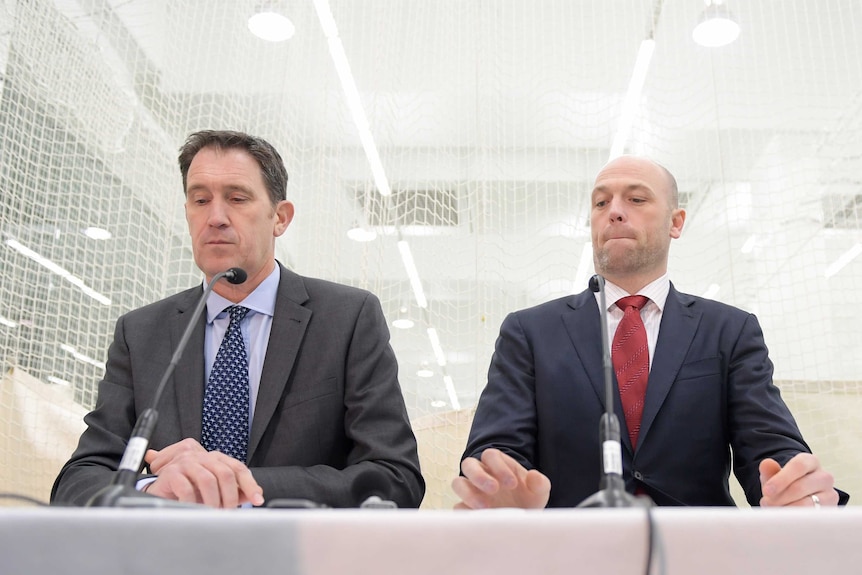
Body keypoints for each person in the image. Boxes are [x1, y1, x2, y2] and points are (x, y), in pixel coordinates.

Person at [52, 130, 424, 509]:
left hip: (297, 558)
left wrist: (230, 483)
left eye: (237, 198)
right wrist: (153, 487)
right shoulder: (142, 333)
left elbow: (395, 477)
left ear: (279, 217)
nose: (215, 217)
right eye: (200, 200)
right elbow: (78, 480)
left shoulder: (347, 319)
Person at [453, 155, 847, 509]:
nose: (615, 212)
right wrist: (502, 484)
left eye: (637, 200)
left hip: (700, 555)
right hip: (570, 552)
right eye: (601, 202)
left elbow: (769, 447)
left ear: (676, 222)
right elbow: (497, 448)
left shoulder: (730, 330)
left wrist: (793, 486)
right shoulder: (529, 332)